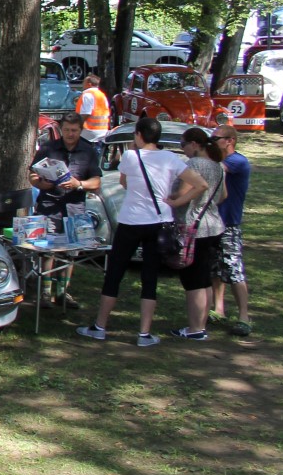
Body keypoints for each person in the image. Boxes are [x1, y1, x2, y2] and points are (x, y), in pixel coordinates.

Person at [78, 117, 186, 347]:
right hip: (159, 221)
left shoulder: (130, 156)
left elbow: (125, 182)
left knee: (115, 272)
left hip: (131, 221)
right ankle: (144, 333)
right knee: (150, 277)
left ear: (138, 135)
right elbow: (199, 183)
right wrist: (176, 200)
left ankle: (100, 326)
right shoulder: (170, 158)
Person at [28, 111, 104, 302]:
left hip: (75, 206)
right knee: (48, 249)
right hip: (49, 204)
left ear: (81, 130)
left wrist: (78, 184)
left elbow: (96, 182)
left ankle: (62, 292)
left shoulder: (88, 151)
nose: (71, 134)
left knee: (71, 251)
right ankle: (46, 292)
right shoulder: (48, 148)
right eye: (67, 130)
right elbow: (32, 175)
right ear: (61, 129)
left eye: (75, 130)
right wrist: (40, 184)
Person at [167, 127, 226, 341]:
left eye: (183, 145)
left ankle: (194, 328)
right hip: (214, 225)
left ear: (193, 144)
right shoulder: (218, 166)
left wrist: (171, 199)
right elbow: (222, 196)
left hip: (194, 227)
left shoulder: (193, 165)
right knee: (204, 278)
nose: (183, 150)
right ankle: (200, 325)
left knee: (192, 280)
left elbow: (182, 193)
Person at [210, 127, 252, 336]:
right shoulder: (219, 160)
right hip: (214, 223)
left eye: (215, 139)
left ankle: (244, 316)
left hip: (230, 225)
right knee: (215, 269)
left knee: (234, 270)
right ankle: (218, 309)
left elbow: (216, 169)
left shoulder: (238, 161)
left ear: (230, 141)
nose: (212, 142)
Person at [77, 74, 110, 142]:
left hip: (89, 132)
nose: (82, 84)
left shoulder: (87, 95)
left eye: (84, 82)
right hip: (103, 130)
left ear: (89, 84)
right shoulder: (102, 95)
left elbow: (86, 113)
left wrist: (77, 125)